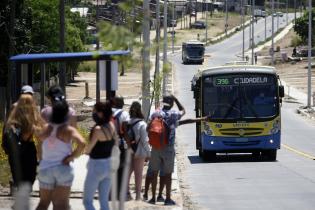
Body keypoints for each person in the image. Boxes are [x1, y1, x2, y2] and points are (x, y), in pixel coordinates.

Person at [148, 94, 207, 205]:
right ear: (171, 103)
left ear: (163, 102)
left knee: (154, 173)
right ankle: (167, 199)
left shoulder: (156, 113)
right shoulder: (173, 114)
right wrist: (176, 100)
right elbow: (184, 112)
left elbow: (149, 127)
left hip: (155, 147)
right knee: (168, 174)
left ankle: (153, 198)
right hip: (168, 148)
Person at [36, 92, 85, 210]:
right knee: (61, 205)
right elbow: (82, 143)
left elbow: (39, 139)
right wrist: (72, 156)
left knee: (43, 204)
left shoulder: (47, 128)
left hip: (46, 168)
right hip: (63, 168)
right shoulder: (67, 130)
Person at [2, 94, 43, 191]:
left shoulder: (10, 123)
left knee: (20, 178)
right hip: (26, 150)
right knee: (27, 178)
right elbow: (39, 137)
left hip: (16, 151)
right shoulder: (30, 121)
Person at [83, 102, 119, 210]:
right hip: (109, 164)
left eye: (95, 111)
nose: (93, 113)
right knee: (104, 202)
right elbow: (116, 143)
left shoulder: (98, 129)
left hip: (97, 165)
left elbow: (89, 149)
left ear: (101, 113)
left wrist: (85, 150)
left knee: (87, 201)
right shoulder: (111, 125)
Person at [125, 102, 150, 201]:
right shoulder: (142, 124)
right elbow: (144, 140)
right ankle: (138, 196)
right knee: (138, 174)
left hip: (128, 150)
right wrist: (148, 153)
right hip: (139, 152)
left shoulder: (126, 122)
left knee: (128, 172)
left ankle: (126, 193)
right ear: (140, 111)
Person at [110, 96, 130, 199]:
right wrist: (129, 145)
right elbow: (125, 132)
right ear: (122, 103)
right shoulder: (124, 114)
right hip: (120, 144)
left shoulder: (108, 112)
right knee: (121, 168)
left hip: (108, 144)